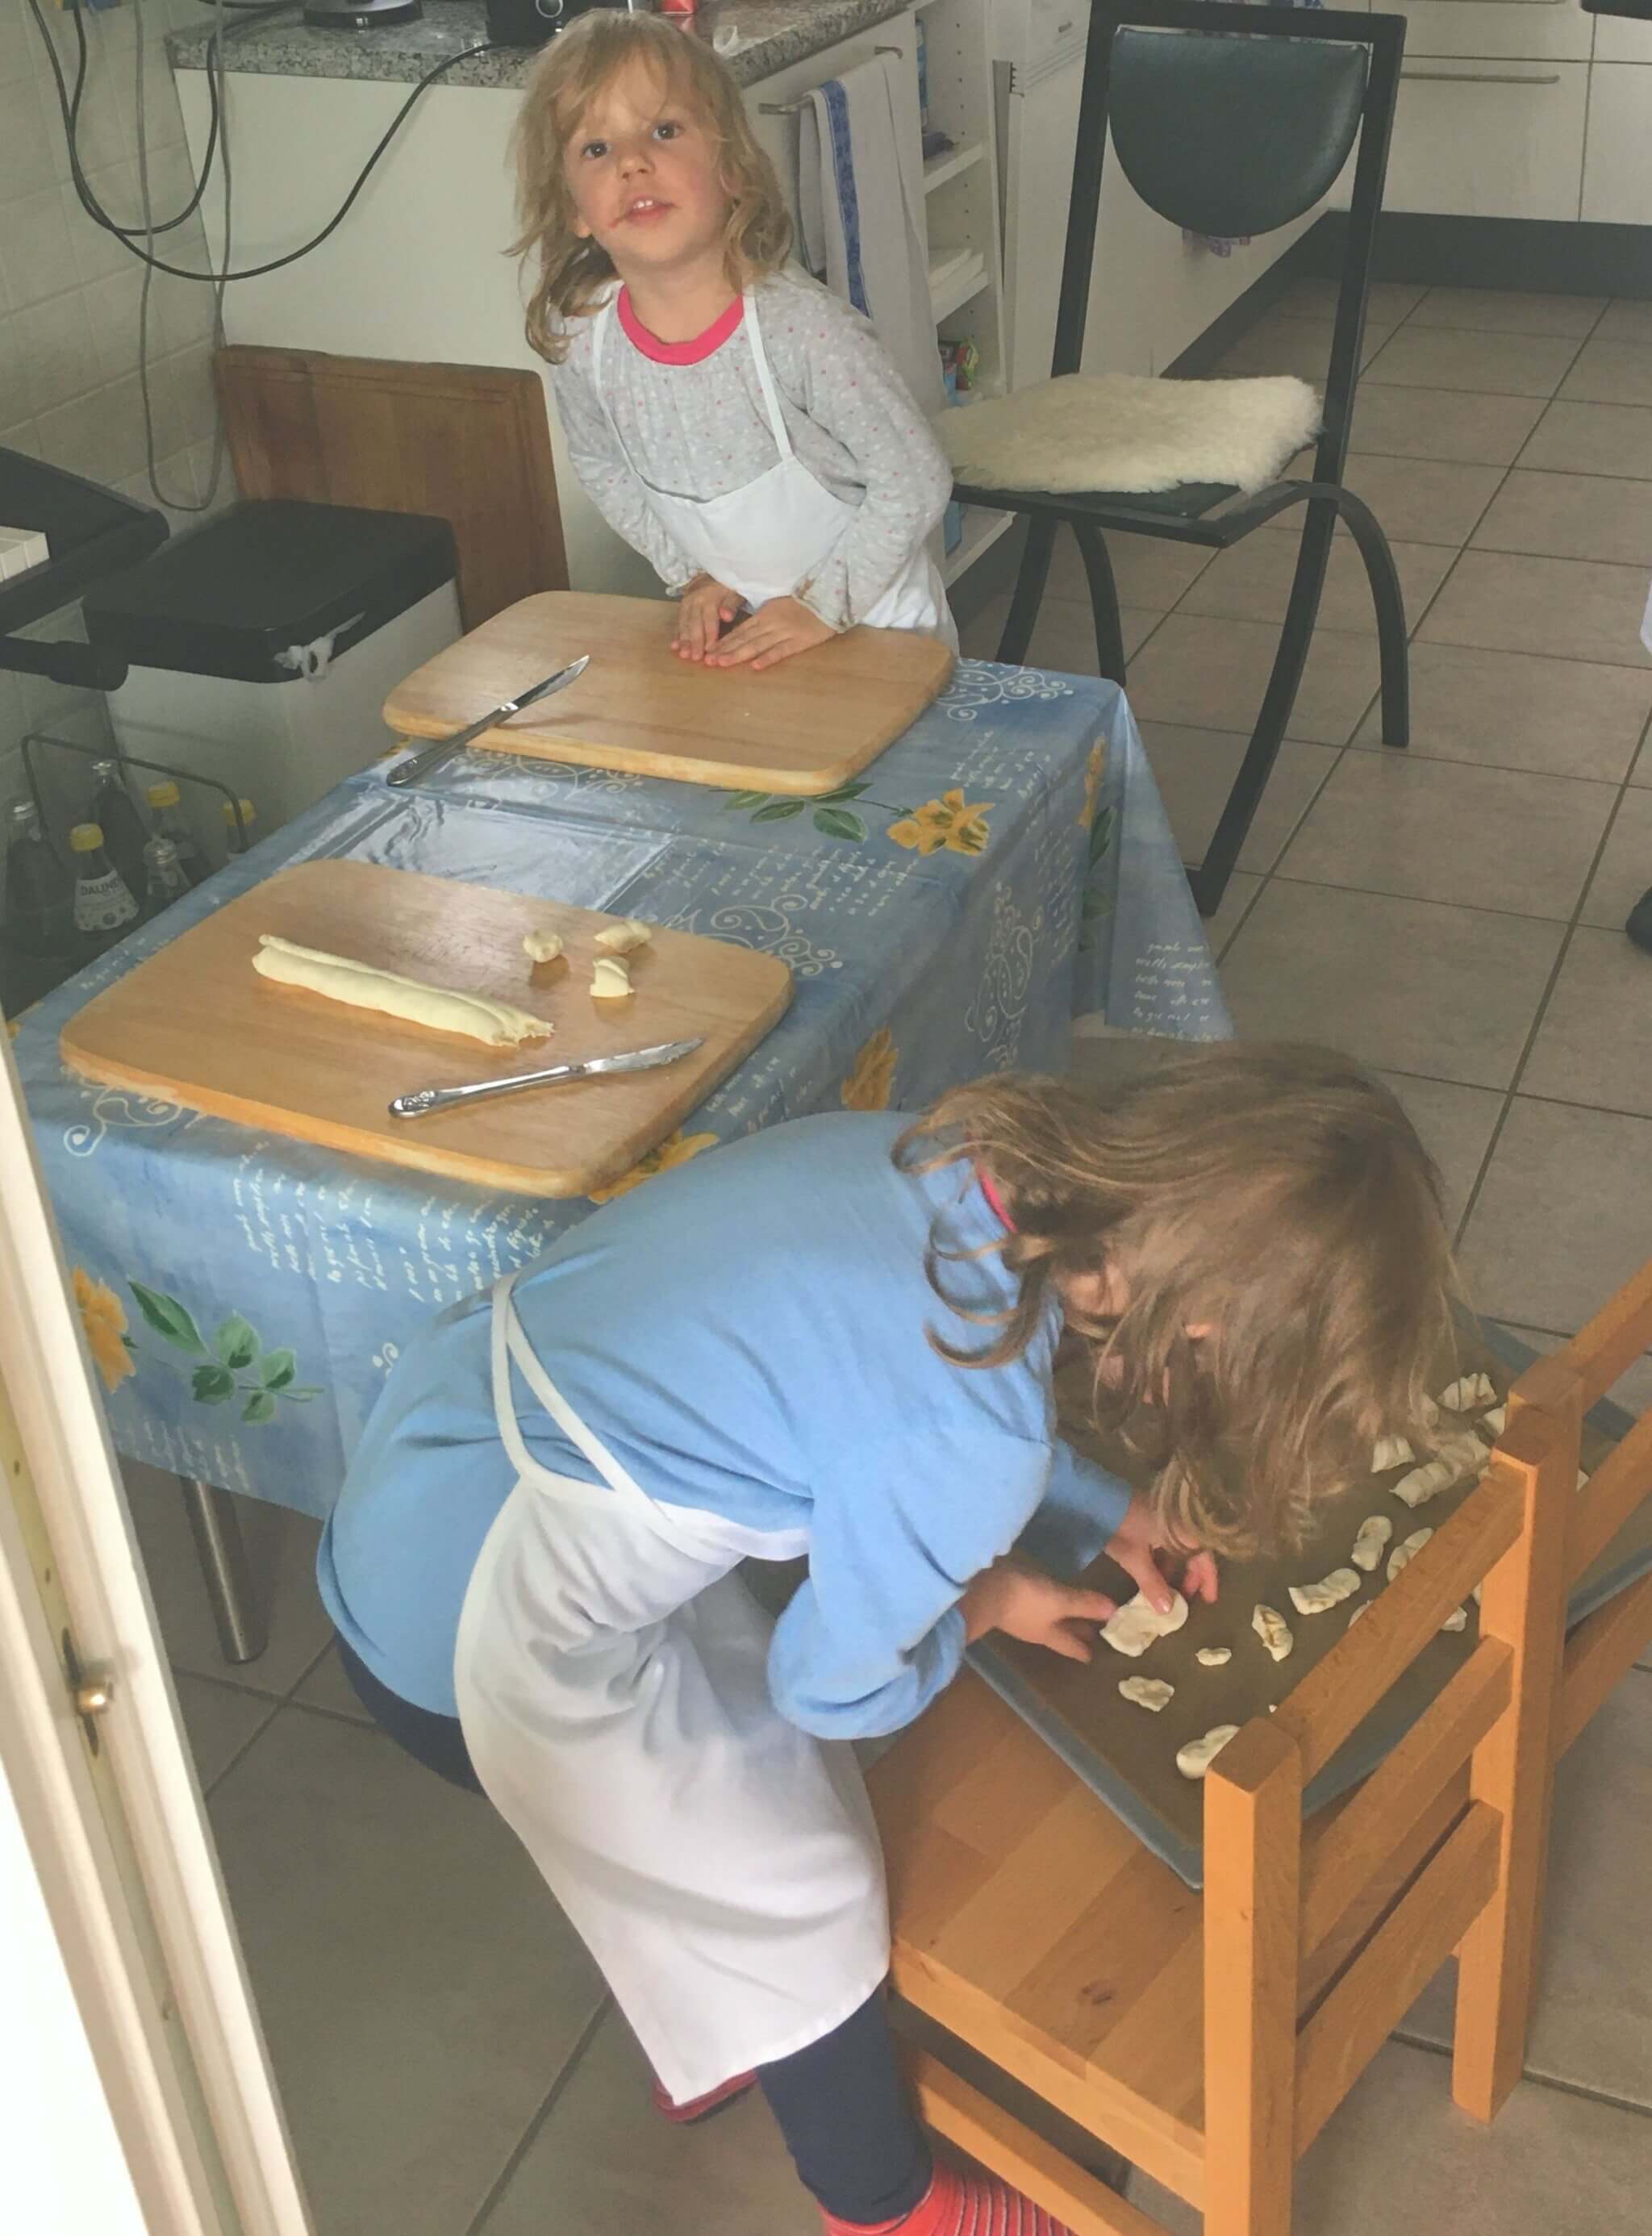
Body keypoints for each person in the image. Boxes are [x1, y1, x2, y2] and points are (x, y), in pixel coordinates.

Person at [318, 1043, 1460, 2236]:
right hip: (469, 1639)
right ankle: (886, 2207)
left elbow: (899, 1399)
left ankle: (705, 2023)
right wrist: (988, 1601)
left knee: (671, 1816)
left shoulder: (932, 1154)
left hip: (430, 1474)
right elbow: (830, 1689)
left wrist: (1105, 1506)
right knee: (800, 1893)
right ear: (1203, 1330)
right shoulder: (976, 1444)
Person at [512, 11, 957, 673]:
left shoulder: (801, 331)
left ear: (732, 171)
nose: (633, 162)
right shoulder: (584, 339)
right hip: (746, 641)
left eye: (664, 131)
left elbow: (915, 480)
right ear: (575, 208)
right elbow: (603, 465)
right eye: (595, 149)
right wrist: (692, 574)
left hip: (883, 639)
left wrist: (820, 605)